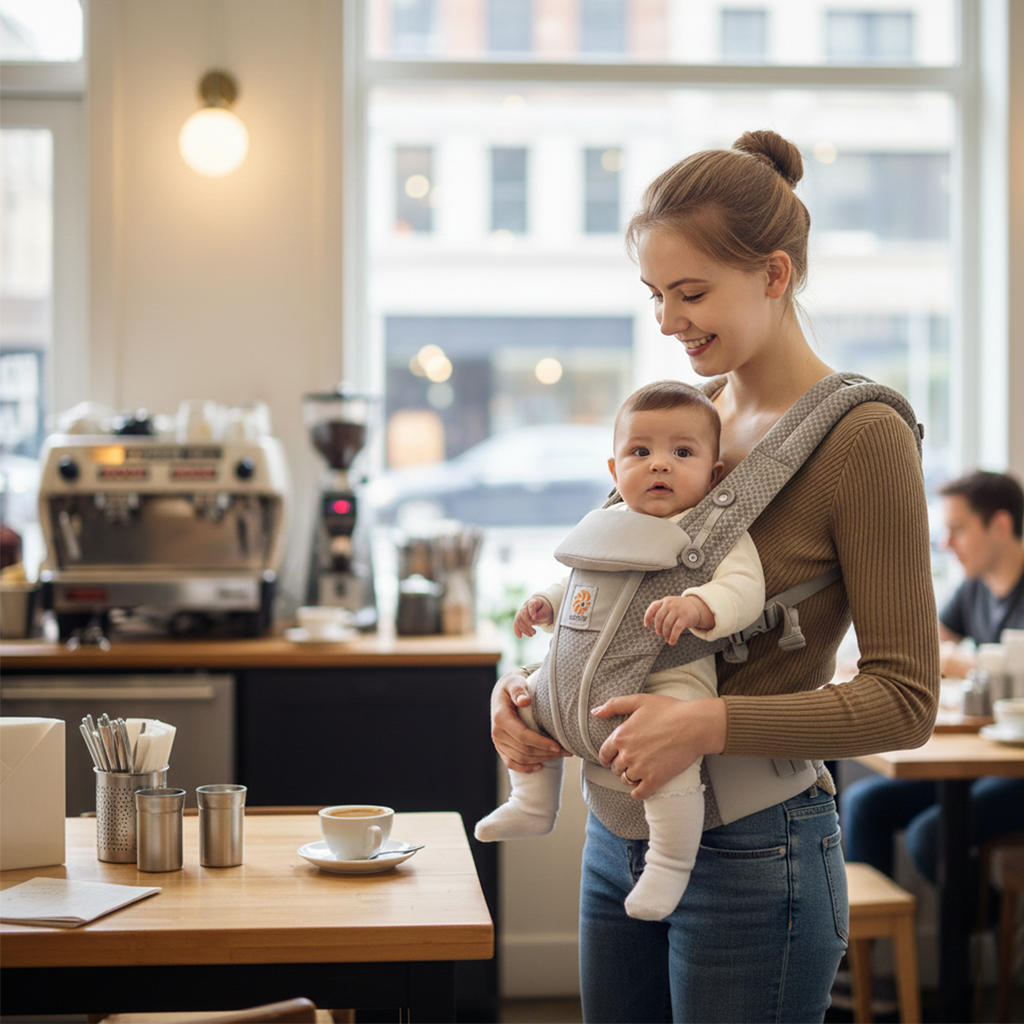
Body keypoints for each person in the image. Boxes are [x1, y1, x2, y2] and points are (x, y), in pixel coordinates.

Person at [488, 129, 939, 1024]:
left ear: (775, 274)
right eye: (656, 294)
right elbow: (601, 603)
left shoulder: (864, 439)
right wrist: (527, 696)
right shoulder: (678, 424)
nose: (666, 321)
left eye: (690, 293)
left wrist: (703, 723)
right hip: (617, 835)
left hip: (756, 850)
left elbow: (906, 701)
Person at [475, 380, 766, 922]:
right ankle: (533, 804)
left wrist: (701, 606)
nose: (660, 465)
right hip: (589, 676)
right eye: (641, 452)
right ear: (614, 471)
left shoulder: (713, 532)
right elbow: (587, 588)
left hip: (669, 672)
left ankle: (670, 863)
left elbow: (746, 589)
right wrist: (548, 602)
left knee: (668, 758)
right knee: (527, 701)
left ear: (714, 473)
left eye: (682, 453)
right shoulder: (609, 528)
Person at [842, 470, 1024, 883]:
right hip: (980, 761)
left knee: (931, 836)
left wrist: (964, 664)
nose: (946, 544)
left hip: (1016, 769)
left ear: (1000, 525)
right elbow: (925, 649)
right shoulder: (974, 589)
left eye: (958, 530)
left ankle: (986, 932)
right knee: (863, 804)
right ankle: (857, 945)